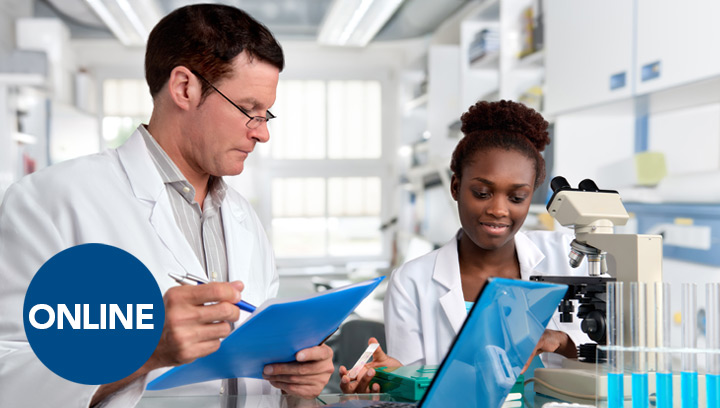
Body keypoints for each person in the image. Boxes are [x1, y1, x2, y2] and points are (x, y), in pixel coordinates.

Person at [0, 4, 333, 407]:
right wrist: (144, 349)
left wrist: (297, 384)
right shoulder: (52, 203)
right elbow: (10, 378)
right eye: (249, 110)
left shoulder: (243, 218)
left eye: (267, 114)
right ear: (184, 88)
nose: (262, 134)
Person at [339, 100, 590, 393]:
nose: (498, 209)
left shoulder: (569, 255)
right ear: (456, 187)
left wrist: (558, 340)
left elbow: (619, 350)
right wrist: (393, 380)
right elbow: (413, 389)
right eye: (482, 193)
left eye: (517, 197)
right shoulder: (411, 283)